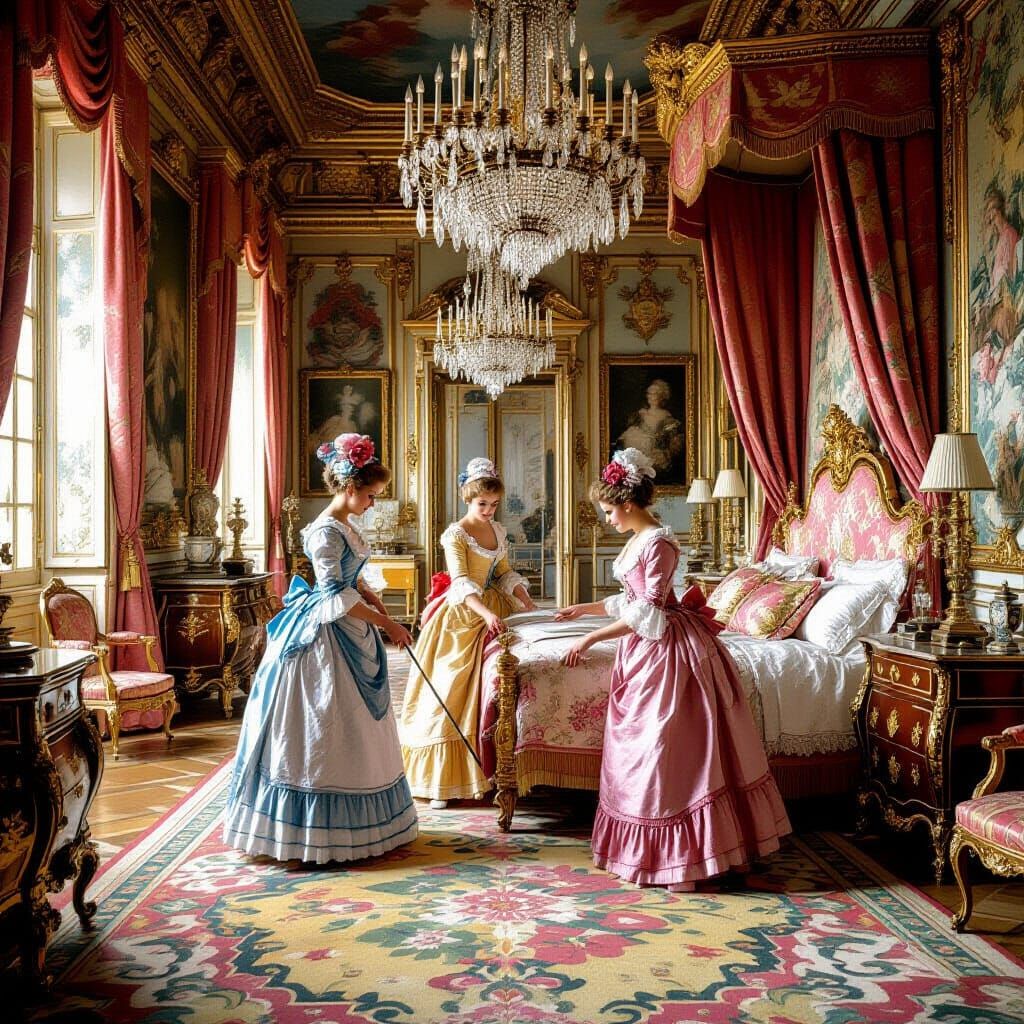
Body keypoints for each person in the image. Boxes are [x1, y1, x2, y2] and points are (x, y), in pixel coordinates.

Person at [555, 447, 790, 891]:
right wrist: (584, 610)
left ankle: (686, 857)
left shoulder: (660, 542)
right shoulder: (639, 540)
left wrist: (590, 638)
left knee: (666, 748)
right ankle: (647, 850)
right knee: (644, 747)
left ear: (627, 503)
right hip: (645, 648)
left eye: (609, 511)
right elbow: (632, 598)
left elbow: (649, 612)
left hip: (668, 653)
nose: (607, 519)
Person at [223, 433, 418, 864]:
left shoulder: (347, 526)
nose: (372, 503)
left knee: (362, 728)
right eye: (370, 496)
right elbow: (334, 597)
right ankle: (314, 831)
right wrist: (387, 624)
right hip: (324, 638)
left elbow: (353, 582)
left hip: (352, 625)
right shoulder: (323, 534)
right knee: (326, 724)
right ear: (349, 489)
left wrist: (373, 595)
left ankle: (367, 823)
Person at [400, 457, 536, 808]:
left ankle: (497, 765)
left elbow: (504, 572)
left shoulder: (499, 531)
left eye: (493, 504)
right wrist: (487, 613)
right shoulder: (455, 534)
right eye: (482, 504)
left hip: (494, 607)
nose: (489, 510)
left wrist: (524, 600)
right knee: (452, 686)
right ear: (468, 499)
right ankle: (440, 782)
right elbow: (460, 582)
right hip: (463, 613)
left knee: (500, 686)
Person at [615, 378, 684, 481]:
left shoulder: (667, 417)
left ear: (662, 396)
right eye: (649, 393)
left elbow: (672, 441)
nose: (651, 397)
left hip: (655, 454)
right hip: (639, 451)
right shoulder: (640, 414)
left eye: (655, 394)